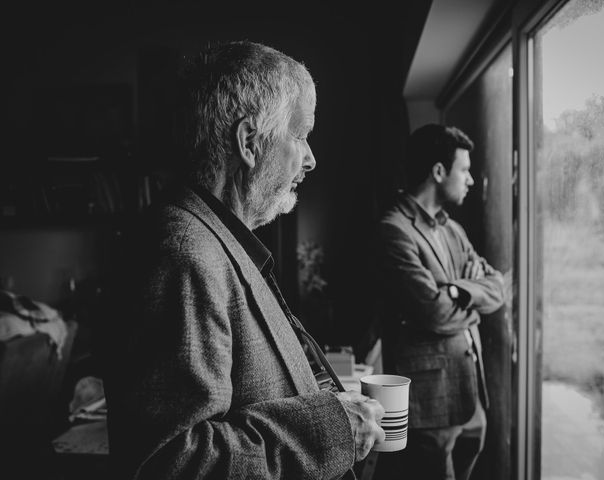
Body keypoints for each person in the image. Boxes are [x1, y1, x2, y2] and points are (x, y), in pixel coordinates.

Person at [100, 41, 384, 480]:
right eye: (300, 134)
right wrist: (333, 428)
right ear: (249, 141)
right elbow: (171, 461)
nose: (310, 159)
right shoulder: (184, 253)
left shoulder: (217, 239)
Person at [376, 124, 505, 480]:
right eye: (464, 170)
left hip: (470, 395)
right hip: (429, 403)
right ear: (438, 171)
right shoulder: (394, 230)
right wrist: (471, 303)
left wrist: (457, 291)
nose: (471, 180)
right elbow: (433, 312)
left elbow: (497, 286)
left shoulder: (454, 230)